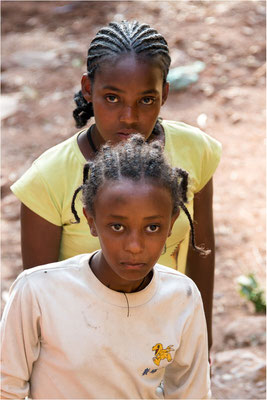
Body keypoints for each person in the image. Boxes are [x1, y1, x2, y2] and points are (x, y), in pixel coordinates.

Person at [10, 20, 221, 350]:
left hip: (163, 342)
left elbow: (201, 250)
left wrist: (200, 341)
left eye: (146, 100)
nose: (129, 116)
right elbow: (39, 297)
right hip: (81, 351)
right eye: (112, 97)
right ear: (87, 89)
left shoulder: (195, 151)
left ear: (164, 93)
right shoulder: (48, 179)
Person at [2, 135, 211, 399]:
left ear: (171, 223)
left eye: (152, 227)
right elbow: (6, 387)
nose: (135, 246)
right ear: (91, 220)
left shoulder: (181, 297)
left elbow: (192, 393)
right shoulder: (38, 292)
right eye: (117, 227)